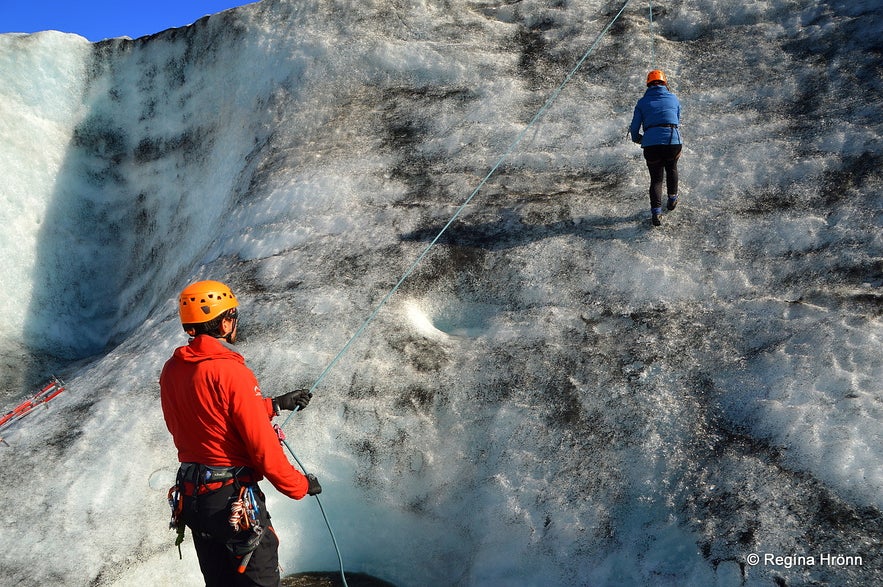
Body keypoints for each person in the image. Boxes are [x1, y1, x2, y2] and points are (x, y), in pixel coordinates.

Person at [160, 279, 321, 587]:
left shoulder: (173, 368)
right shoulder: (231, 371)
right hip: (231, 502)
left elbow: (201, 419)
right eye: (232, 316)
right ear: (223, 322)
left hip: (194, 499)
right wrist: (300, 485)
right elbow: (262, 449)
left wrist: (272, 405)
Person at [630, 69, 683, 226]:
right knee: (672, 168)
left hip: (651, 144)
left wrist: (640, 139)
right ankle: (672, 198)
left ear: (648, 84)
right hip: (672, 141)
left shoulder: (642, 103)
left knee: (656, 179)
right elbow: (677, 119)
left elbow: (634, 129)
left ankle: (656, 213)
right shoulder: (673, 98)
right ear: (665, 83)